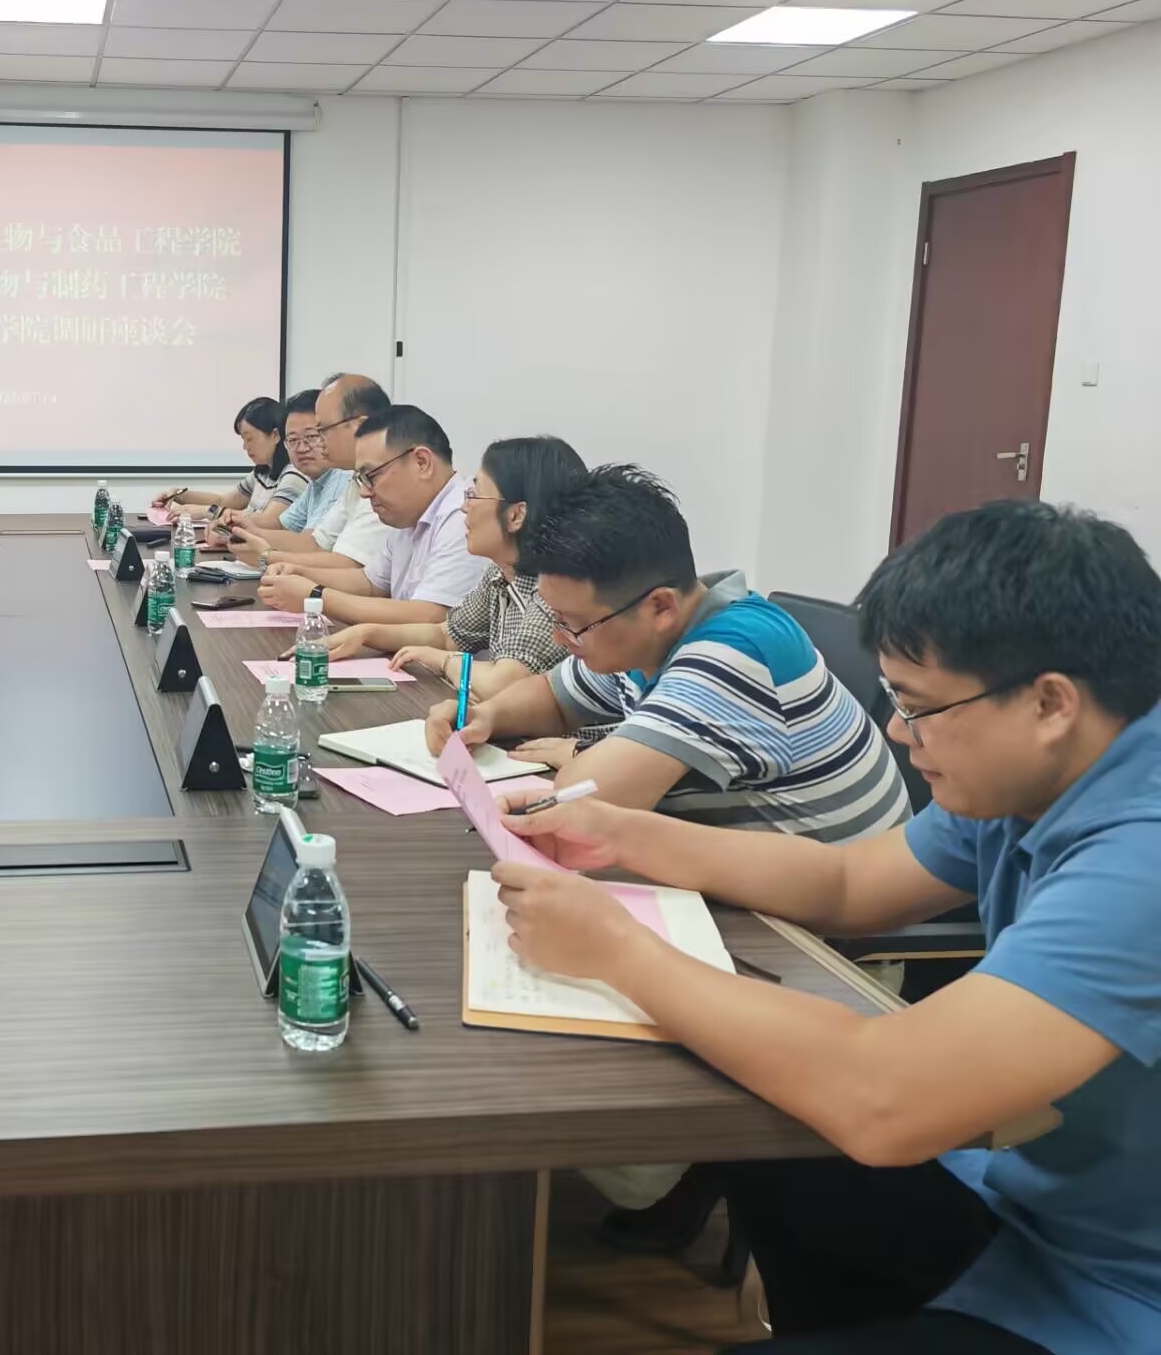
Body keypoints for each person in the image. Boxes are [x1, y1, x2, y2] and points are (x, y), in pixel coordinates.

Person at [496, 500, 1161, 1355]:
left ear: (1051, 703)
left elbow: (888, 1098)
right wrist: (624, 834)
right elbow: (850, 882)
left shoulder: (1139, 856)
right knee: (765, 1133)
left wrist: (618, 949)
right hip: (1028, 1202)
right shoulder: (1038, 774)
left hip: (1117, 1292)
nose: (896, 732)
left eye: (919, 707)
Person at [426, 463, 909, 841]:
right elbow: (554, 696)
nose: (559, 640)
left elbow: (584, 800)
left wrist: (582, 753)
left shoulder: (733, 654)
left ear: (660, 607)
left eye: (573, 625)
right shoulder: (646, 629)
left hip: (815, 927)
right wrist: (485, 717)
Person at [326, 435, 585, 699]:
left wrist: (443, 660)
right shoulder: (500, 574)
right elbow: (448, 634)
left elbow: (502, 683)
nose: (464, 507)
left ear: (516, 515)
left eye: (474, 495)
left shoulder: (556, 591)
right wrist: (368, 633)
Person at [258, 404, 487, 626]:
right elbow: (370, 583)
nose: (365, 492)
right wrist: (300, 573)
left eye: (371, 476)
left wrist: (315, 595)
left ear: (422, 462)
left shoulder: (463, 514)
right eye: (361, 479)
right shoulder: (409, 515)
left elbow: (429, 616)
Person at [226, 373, 391, 566]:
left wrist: (267, 557)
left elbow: (352, 567)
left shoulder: (378, 482)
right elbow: (316, 544)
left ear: (360, 426)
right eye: (293, 440)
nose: (308, 446)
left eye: (319, 432)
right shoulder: (357, 480)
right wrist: (248, 532)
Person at [152, 397, 305, 529]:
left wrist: (208, 511)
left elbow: (268, 522)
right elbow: (224, 501)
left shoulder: (293, 476)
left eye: (250, 439)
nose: (245, 446)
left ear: (275, 435)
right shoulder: (262, 472)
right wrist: (178, 494)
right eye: (244, 440)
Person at [274, 389, 351, 539]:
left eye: (311, 436)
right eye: (293, 440)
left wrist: (247, 535)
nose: (302, 449)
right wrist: (239, 528)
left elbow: (310, 543)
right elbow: (283, 526)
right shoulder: (316, 482)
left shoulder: (342, 476)